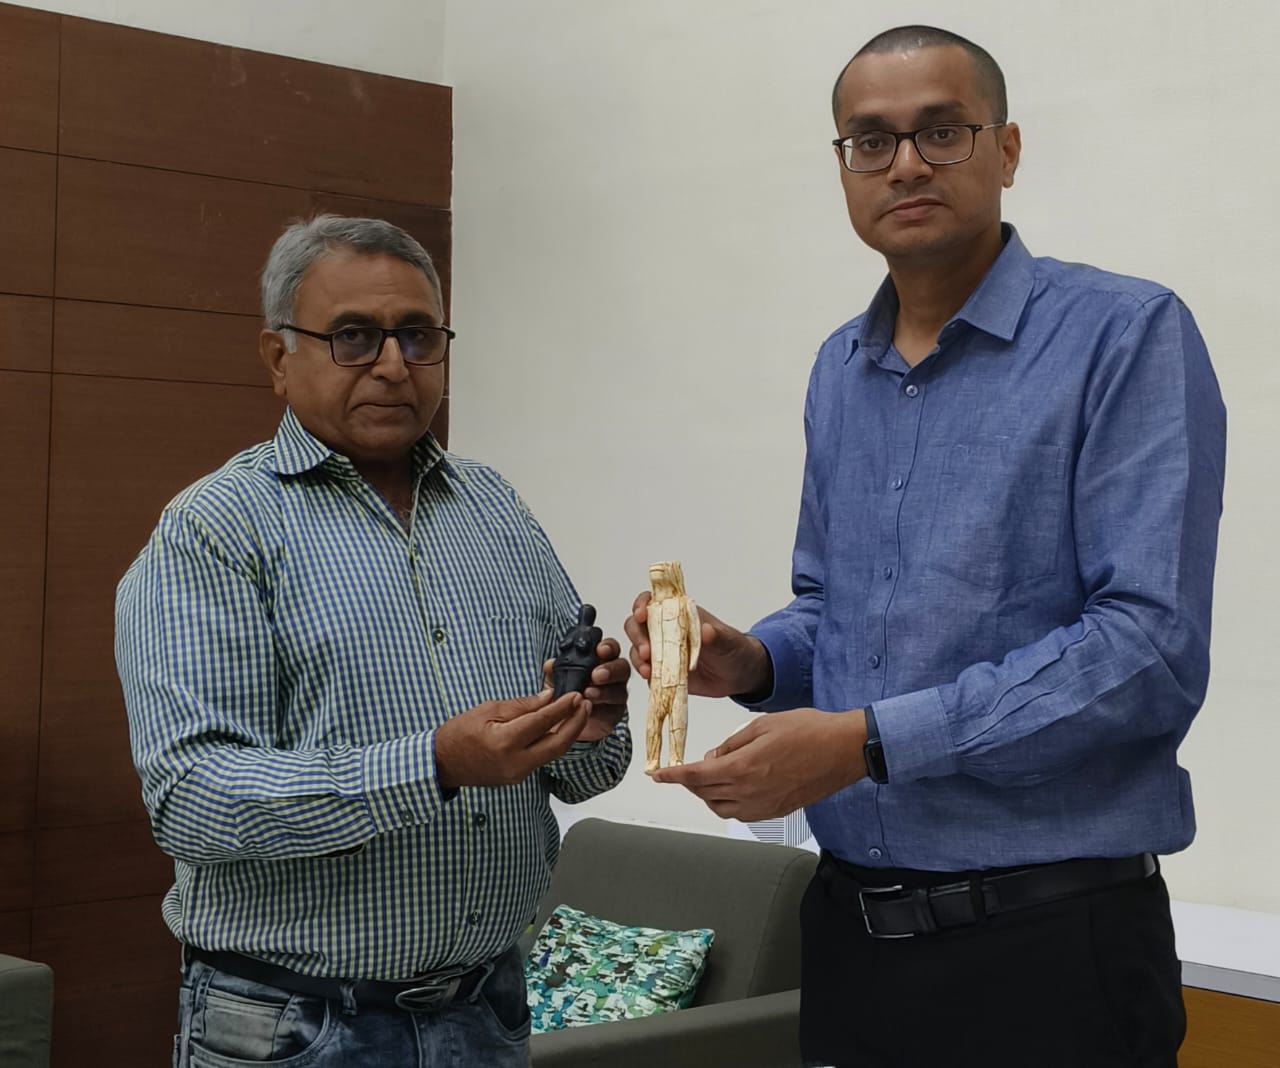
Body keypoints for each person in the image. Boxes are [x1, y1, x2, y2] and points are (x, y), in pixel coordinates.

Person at [625, 25, 1225, 1068]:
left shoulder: (1122, 335)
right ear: (842, 168)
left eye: (938, 131)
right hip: (852, 941)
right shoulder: (837, 369)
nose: (902, 163)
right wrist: (754, 660)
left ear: (1006, 148)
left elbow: (1147, 651)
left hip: (1048, 952)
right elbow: (832, 609)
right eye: (869, 140)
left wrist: (861, 741)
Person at [116, 214, 632, 1067]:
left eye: (418, 336)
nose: (394, 365)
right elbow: (191, 798)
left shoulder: (496, 508)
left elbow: (580, 773)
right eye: (354, 337)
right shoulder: (213, 530)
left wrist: (589, 720)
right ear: (279, 360)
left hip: (489, 1010)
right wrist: (433, 764)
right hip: (296, 1027)